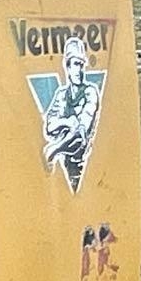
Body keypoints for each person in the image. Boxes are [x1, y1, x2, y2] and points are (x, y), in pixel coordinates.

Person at [43, 36, 101, 187]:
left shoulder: (90, 92)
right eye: (75, 64)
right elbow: (50, 125)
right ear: (67, 67)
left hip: (83, 161)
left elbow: (83, 126)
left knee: (79, 132)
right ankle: (52, 151)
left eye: (82, 65)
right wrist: (67, 122)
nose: (79, 70)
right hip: (67, 163)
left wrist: (55, 148)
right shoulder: (62, 94)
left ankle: (52, 151)